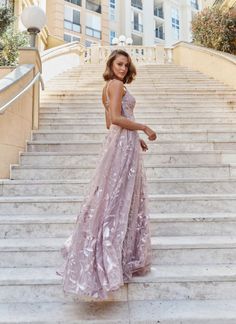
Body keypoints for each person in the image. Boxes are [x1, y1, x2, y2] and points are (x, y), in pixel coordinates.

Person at [56, 49, 157, 300]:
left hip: (123, 143)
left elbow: (110, 122)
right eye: (119, 63)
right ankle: (109, 255)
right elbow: (114, 118)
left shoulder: (109, 87)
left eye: (126, 65)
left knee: (117, 197)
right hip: (121, 146)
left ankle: (114, 253)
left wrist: (135, 139)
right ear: (110, 64)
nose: (123, 68)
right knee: (117, 199)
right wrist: (142, 127)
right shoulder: (115, 85)